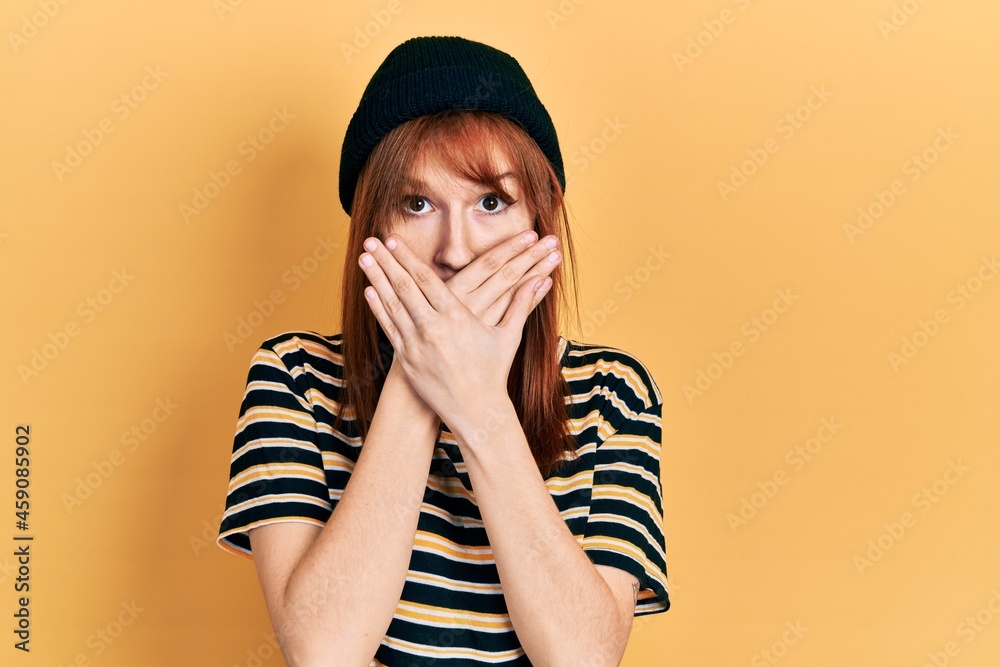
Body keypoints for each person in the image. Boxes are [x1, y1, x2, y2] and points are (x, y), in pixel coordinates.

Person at [217, 35, 669, 667]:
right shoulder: (294, 378)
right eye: (417, 203)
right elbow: (323, 654)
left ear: (542, 220)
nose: (456, 250)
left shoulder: (613, 392)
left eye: (492, 202)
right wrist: (419, 374)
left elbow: (582, 659)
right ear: (373, 227)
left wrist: (480, 405)